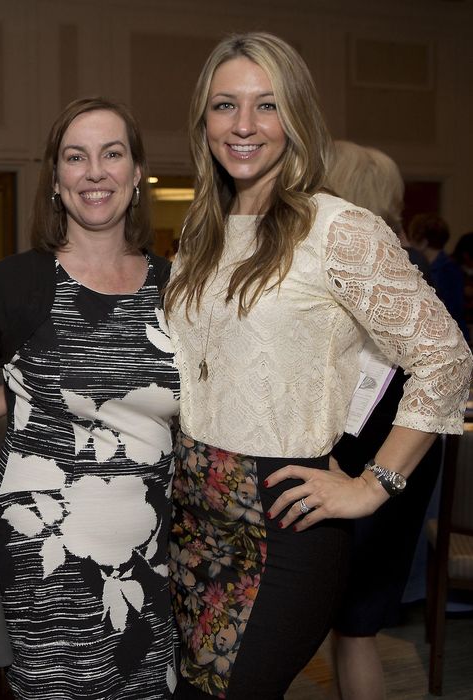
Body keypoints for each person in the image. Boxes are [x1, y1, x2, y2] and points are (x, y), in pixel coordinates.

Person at [164, 32, 472, 700]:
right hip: (190, 514)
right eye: (225, 106)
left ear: (296, 118)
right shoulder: (200, 232)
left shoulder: (338, 227)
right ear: (204, 120)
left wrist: (374, 483)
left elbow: (445, 357)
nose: (243, 125)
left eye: (266, 105)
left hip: (284, 520)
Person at [0, 97, 178, 698]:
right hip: (45, 551)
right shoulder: (17, 283)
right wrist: (22, 391)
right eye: (76, 158)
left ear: (137, 174)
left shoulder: (177, 288)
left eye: (112, 154)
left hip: (154, 552)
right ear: (55, 180)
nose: (95, 171)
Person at [325, 141, 445, 700]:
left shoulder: (368, 262)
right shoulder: (413, 261)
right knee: (356, 627)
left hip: (370, 453)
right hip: (407, 449)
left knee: (349, 623)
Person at [406, 213, 470, 340]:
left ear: (423, 242)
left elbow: (453, 310)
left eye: (411, 239)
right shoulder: (442, 267)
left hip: (451, 336)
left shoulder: (448, 270)